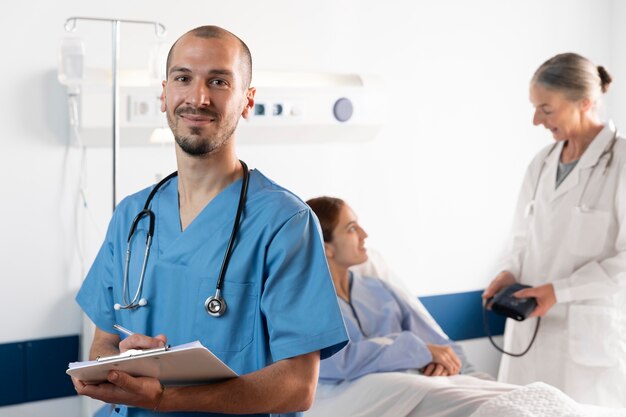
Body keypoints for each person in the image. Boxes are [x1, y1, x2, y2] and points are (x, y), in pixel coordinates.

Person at [72, 26, 348, 417]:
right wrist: (113, 367)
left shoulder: (285, 223)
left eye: (218, 81)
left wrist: (165, 398)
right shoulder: (132, 217)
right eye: (183, 78)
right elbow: (101, 344)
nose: (198, 98)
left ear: (247, 101)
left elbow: (297, 386)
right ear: (164, 94)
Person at [483, 52, 626, 407]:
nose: (536, 120)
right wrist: (509, 271)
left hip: (587, 340)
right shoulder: (542, 163)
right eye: (535, 108)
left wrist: (559, 291)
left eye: (546, 110)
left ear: (586, 103)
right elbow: (521, 237)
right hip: (529, 328)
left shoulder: (621, 162)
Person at [305, 196, 521, 417]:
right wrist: (419, 351)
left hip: (419, 382)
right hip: (367, 394)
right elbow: (338, 363)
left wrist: (449, 363)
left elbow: (439, 344)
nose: (364, 234)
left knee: (514, 398)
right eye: (351, 229)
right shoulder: (311, 304)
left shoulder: (380, 289)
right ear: (326, 248)